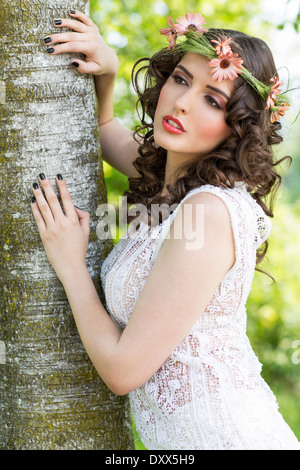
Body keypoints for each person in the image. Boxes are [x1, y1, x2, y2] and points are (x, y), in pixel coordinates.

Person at [31, 10, 300, 450]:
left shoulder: (210, 211)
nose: (181, 103)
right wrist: (108, 71)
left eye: (212, 100)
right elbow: (102, 130)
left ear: (238, 127)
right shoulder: (173, 182)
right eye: (180, 78)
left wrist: (70, 264)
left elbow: (123, 371)